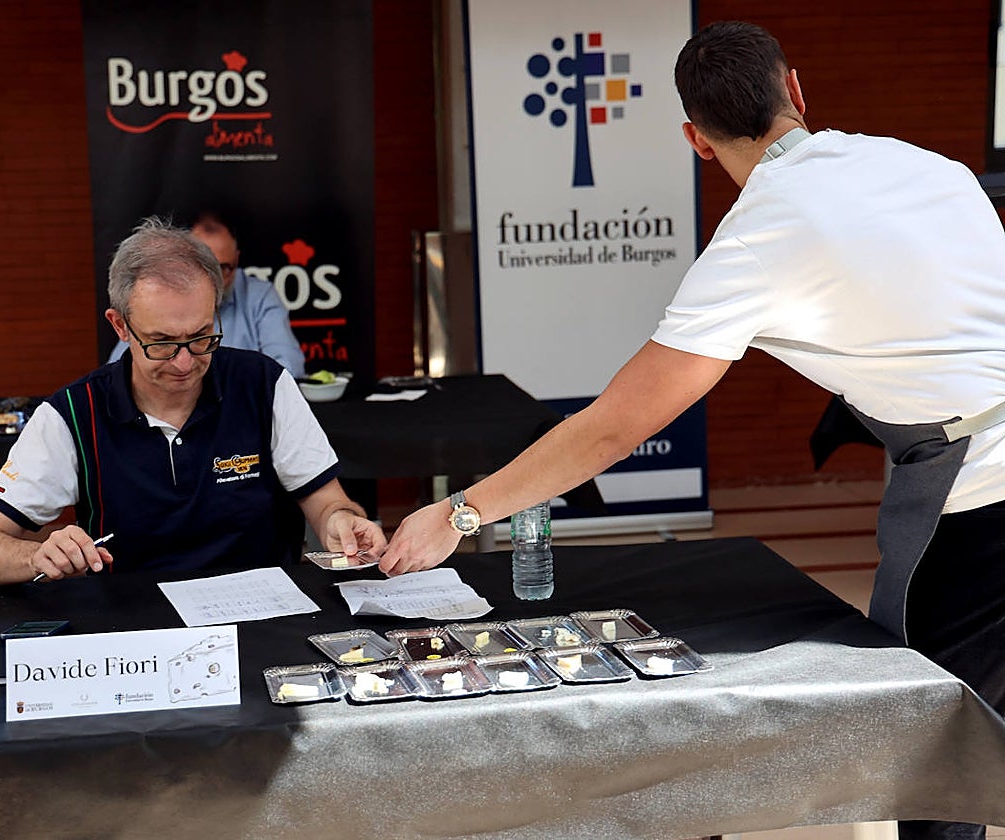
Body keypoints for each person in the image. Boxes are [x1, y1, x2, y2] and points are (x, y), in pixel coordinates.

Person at [379, 21, 1005, 839]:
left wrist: (458, 514)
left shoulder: (761, 236)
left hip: (975, 490)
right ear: (798, 91)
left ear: (694, 141)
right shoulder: (928, 165)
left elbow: (612, 428)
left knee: (928, 737)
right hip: (965, 459)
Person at [0, 217, 383, 584]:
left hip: (260, 622)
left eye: (201, 337)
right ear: (120, 327)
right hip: (132, 635)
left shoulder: (264, 385)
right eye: (160, 343)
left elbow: (327, 502)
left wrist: (342, 522)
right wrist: (38, 554)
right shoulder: (72, 413)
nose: (183, 363)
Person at [107, 209, 306, 378]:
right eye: (203, 268)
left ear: (237, 260)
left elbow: (288, 367)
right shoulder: (154, 298)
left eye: (225, 267)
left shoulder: (259, 294)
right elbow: (117, 372)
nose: (216, 279)